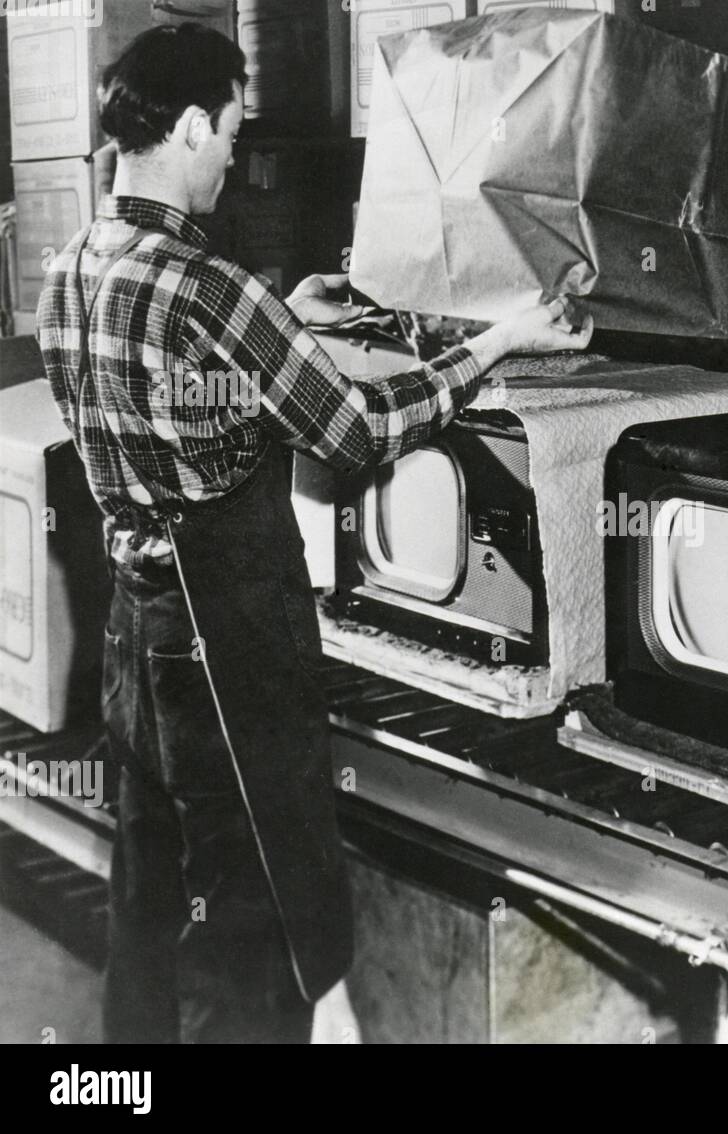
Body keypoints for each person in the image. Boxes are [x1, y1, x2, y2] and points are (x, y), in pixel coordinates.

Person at [35, 23, 591, 1044]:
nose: (234, 157)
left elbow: (168, 379)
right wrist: (501, 340)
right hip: (230, 647)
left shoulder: (70, 268)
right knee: (251, 924)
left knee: (152, 900)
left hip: (135, 633)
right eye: (231, 134)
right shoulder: (211, 290)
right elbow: (357, 427)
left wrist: (281, 321)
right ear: (192, 123)